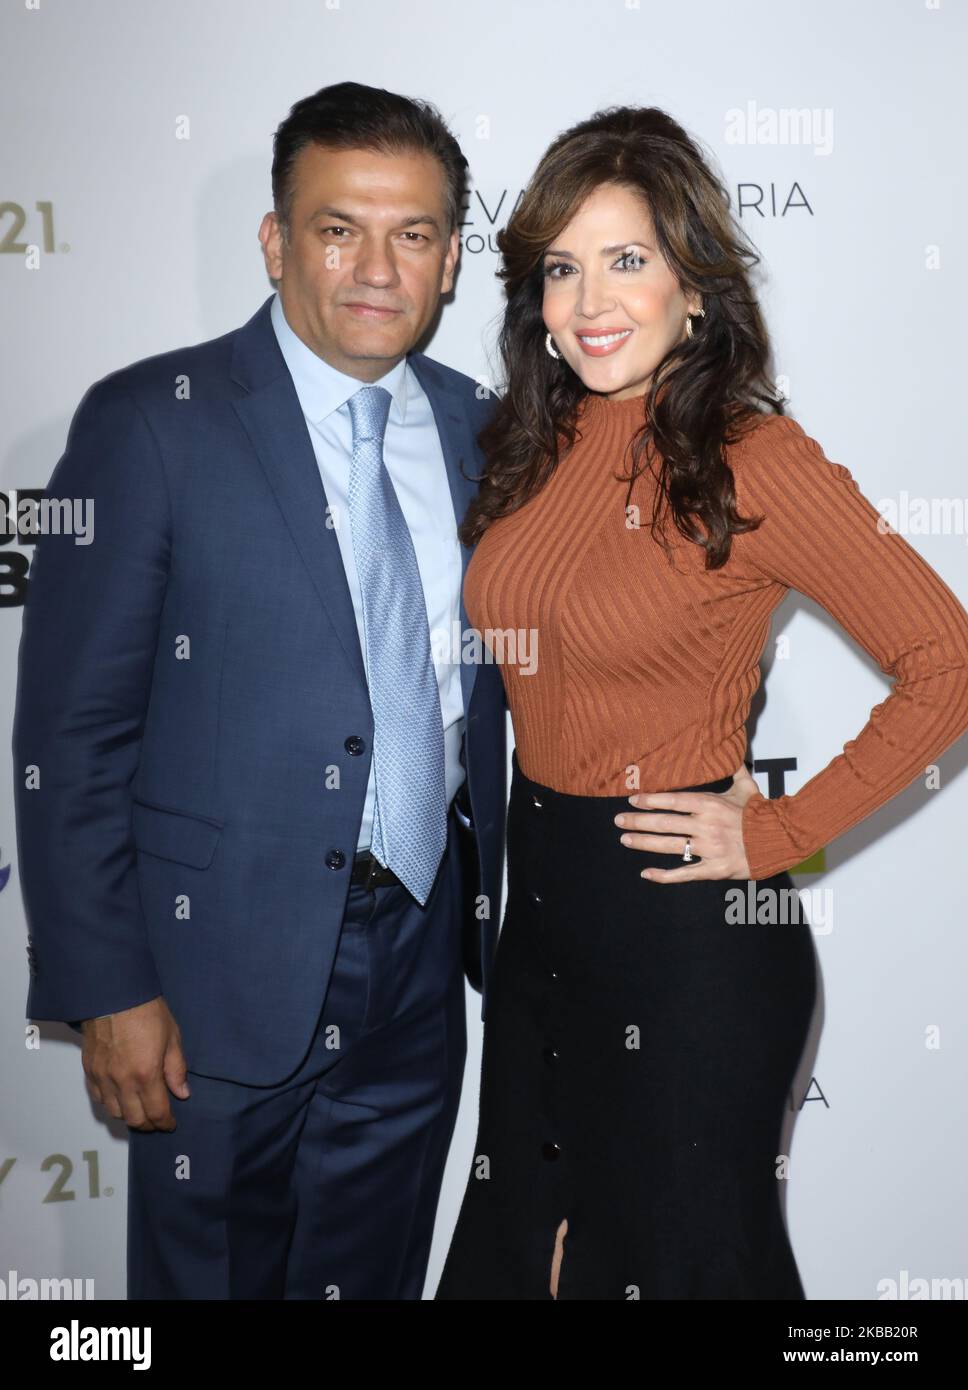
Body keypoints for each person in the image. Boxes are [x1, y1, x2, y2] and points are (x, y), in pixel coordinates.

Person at [435, 104, 968, 1300]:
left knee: (684, 1267)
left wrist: (776, 831)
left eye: (625, 260)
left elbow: (947, 659)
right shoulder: (532, 440)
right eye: (560, 270)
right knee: (523, 1261)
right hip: (542, 930)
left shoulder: (751, 454)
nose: (587, 302)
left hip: (687, 944)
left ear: (692, 284)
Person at [12, 81, 511, 1300]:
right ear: (276, 241)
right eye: (338, 228)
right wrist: (109, 987)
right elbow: (69, 736)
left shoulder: (487, 434)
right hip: (211, 976)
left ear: (451, 259)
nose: (376, 268)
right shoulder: (152, 422)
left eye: (413, 234)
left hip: (419, 967)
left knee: (375, 1276)